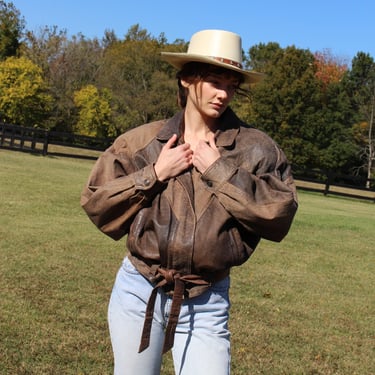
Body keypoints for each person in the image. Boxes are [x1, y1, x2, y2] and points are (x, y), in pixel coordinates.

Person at [81, 29, 298, 375]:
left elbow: (279, 215)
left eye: (232, 84)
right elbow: (96, 203)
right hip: (139, 291)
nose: (223, 93)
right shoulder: (143, 142)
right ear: (186, 79)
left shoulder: (255, 149)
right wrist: (154, 173)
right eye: (214, 80)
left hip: (207, 298)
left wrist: (219, 170)